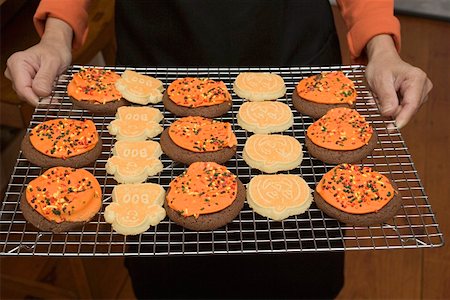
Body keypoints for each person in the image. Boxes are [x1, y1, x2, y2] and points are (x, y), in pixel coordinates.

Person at [4, 1, 432, 299]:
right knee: (172, 266)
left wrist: (381, 43)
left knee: (295, 264)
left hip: (291, 61)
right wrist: (58, 31)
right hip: (163, 68)